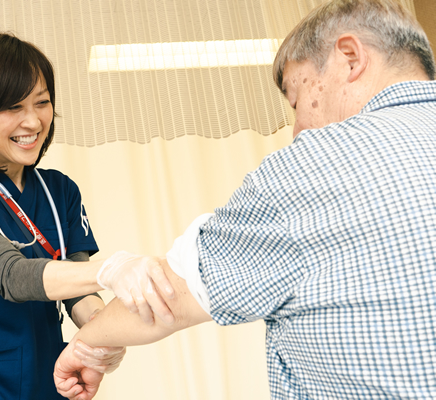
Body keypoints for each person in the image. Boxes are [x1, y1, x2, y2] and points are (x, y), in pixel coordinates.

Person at [53, 0, 436, 399]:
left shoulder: (317, 161)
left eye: (297, 100)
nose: (298, 130)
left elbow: (171, 294)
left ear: (350, 57)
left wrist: (86, 346)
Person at [0, 32, 175, 399]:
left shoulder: (60, 191)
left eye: (42, 103)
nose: (33, 122)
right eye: (13, 107)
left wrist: (100, 335)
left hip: (46, 385)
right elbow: (10, 275)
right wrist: (112, 269)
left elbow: (78, 292)